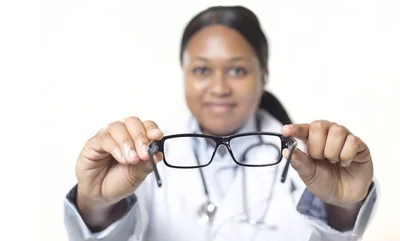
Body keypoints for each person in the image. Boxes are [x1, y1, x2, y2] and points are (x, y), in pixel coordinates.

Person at [62, 5, 378, 241]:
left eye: (237, 70)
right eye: (202, 71)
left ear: (263, 75)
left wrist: (343, 209)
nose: (219, 88)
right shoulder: (141, 156)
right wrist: (97, 204)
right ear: (183, 73)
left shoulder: (308, 160)